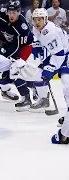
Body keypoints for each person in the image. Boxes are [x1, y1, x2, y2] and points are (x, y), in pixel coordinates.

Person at [29, 8, 69, 144]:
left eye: (39, 19)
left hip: (66, 54)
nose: (37, 22)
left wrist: (50, 68)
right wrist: (38, 46)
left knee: (67, 84)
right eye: (35, 19)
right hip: (57, 54)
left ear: (45, 19)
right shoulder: (38, 28)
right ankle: (44, 99)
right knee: (38, 76)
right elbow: (38, 39)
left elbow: (59, 55)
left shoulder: (50, 32)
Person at [0, 0, 36, 111]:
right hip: (10, 44)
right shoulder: (2, 14)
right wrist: (1, 40)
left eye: (14, 13)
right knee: (5, 78)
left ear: (19, 12)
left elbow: (16, 48)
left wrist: (1, 60)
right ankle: (35, 85)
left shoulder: (21, 27)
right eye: (10, 12)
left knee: (15, 70)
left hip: (24, 47)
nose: (11, 15)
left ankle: (27, 98)